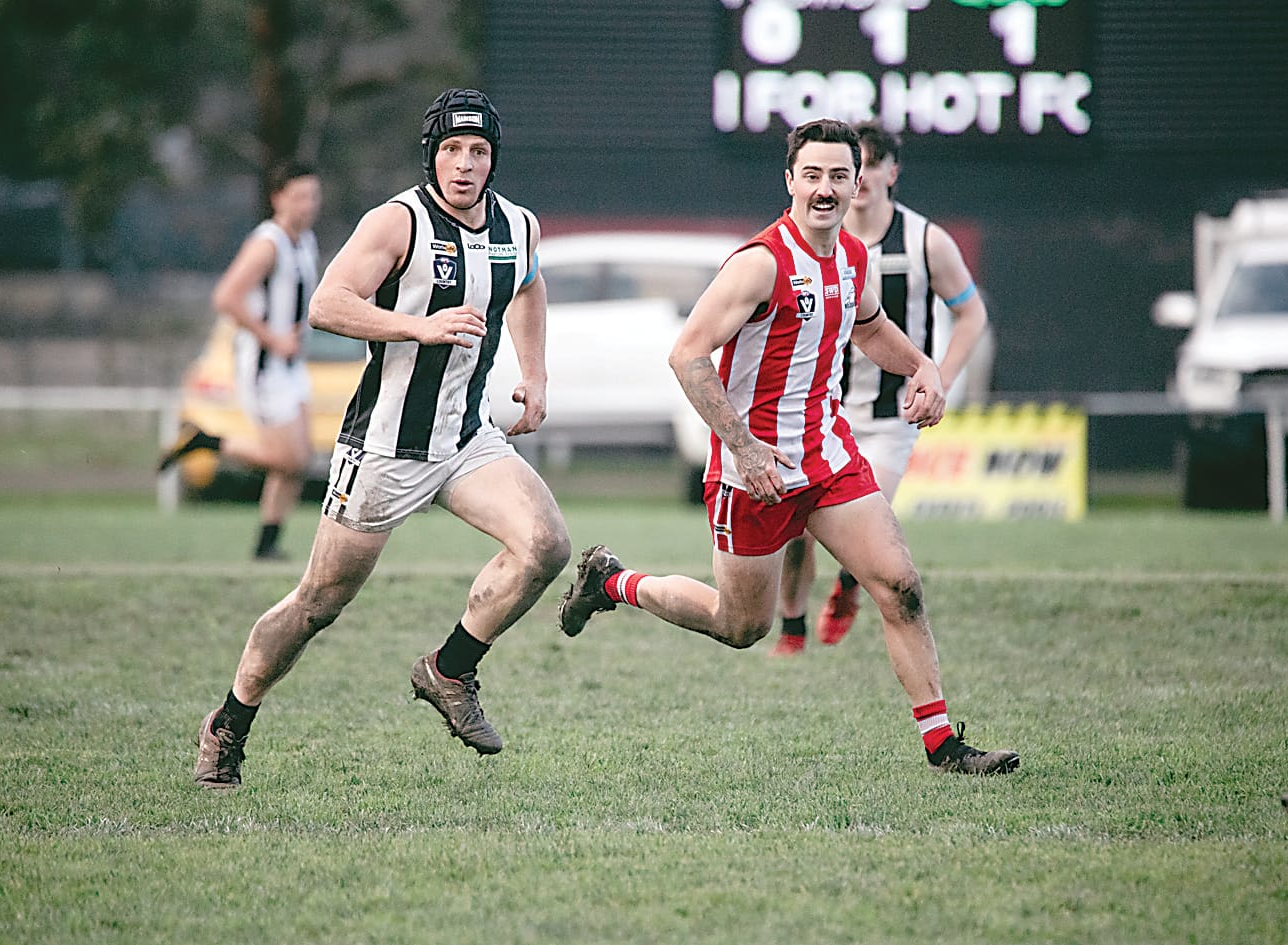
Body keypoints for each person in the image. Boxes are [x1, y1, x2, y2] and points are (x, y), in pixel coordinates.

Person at [558, 118, 1018, 776]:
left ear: (856, 184)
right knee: (741, 626)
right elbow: (686, 354)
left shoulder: (851, 256)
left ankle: (943, 746)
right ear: (790, 182)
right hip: (755, 470)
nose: (825, 188)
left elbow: (870, 327)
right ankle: (612, 582)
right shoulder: (760, 263)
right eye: (812, 175)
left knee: (900, 587)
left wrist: (922, 367)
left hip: (828, 457)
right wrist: (743, 447)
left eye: (838, 175)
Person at [192, 88, 572, 789]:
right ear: (432, 155)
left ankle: (449, 669)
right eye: (452, 150)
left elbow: (528, 287)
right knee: (317, 603)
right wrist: (416, 326)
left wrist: (536, 374)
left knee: (546, 544)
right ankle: (229, 723)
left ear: (493, 159)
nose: (465, 164)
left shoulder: (518, 226)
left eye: (478, 151)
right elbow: (327, 304)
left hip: (465, 438)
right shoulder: (399, 221)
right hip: (384, 448)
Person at [770, 122, 992, 656]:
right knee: (798, 532)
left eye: (871, 165)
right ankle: (793, 630)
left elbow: (971, 314)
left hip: (891, 414)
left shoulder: (924, 241)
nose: (862, 177)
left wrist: (937, 376)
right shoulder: (813, 239)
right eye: (856, 166)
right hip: (821, 412)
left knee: (869, 519)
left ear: (892, 172)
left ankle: (849, 585)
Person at [158, 161, 323, 561]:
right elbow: (226, 297)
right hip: (265, 368)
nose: (308, 204)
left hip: (292, 367)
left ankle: (267, 543)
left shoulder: (306, 241)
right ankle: (205, 440)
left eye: (313, 196)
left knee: (298, 463)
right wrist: (273, 338)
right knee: (291, 459)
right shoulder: (268, 243)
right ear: (278, 198)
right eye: (299, 196)